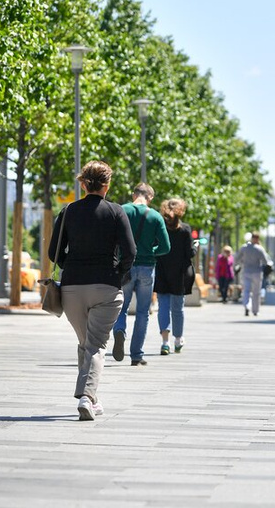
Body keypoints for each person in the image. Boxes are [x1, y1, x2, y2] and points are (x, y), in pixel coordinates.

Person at [48, 160, 136, 420]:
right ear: (106, 185)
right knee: (95, 345)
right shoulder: (116, 212)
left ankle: (91, 399)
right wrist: (118, 274)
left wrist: (71, 267)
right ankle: (87, 397)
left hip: (72, 289)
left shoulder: (68, 211)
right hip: (106, 287)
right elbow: (130, 252)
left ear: (84, 185)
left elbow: (53, 252)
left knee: (86, 344)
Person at [111, 183, 171, 367]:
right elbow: (165, 247)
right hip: (147, 268)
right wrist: (150, 251)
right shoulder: (156, 216)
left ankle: (119, 330)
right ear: (150, 197)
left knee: (121, 306)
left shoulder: (122, 210)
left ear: (133, 194)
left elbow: (112, 239)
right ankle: (136, 355)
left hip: (126, 267)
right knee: (143, 312)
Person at [154, 198, 196, 356]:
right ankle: (178, 340)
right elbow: (190, 253)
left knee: (163, 307)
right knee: (177, 308)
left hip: (162, 272)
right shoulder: (185, 230)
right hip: (179, 274)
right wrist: (195, 247)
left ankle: (165, 342)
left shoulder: (160, 228)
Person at [235, 233, 270, 316]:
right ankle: (255, 310)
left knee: (246, 290)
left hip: (246, 271)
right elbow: (265, 261)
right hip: (257, 272)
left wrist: (241, 263)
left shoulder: (244, 248)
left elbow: (237, 259)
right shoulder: (259, 249)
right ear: (258, 239)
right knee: (256, 292)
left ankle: (247, 305)